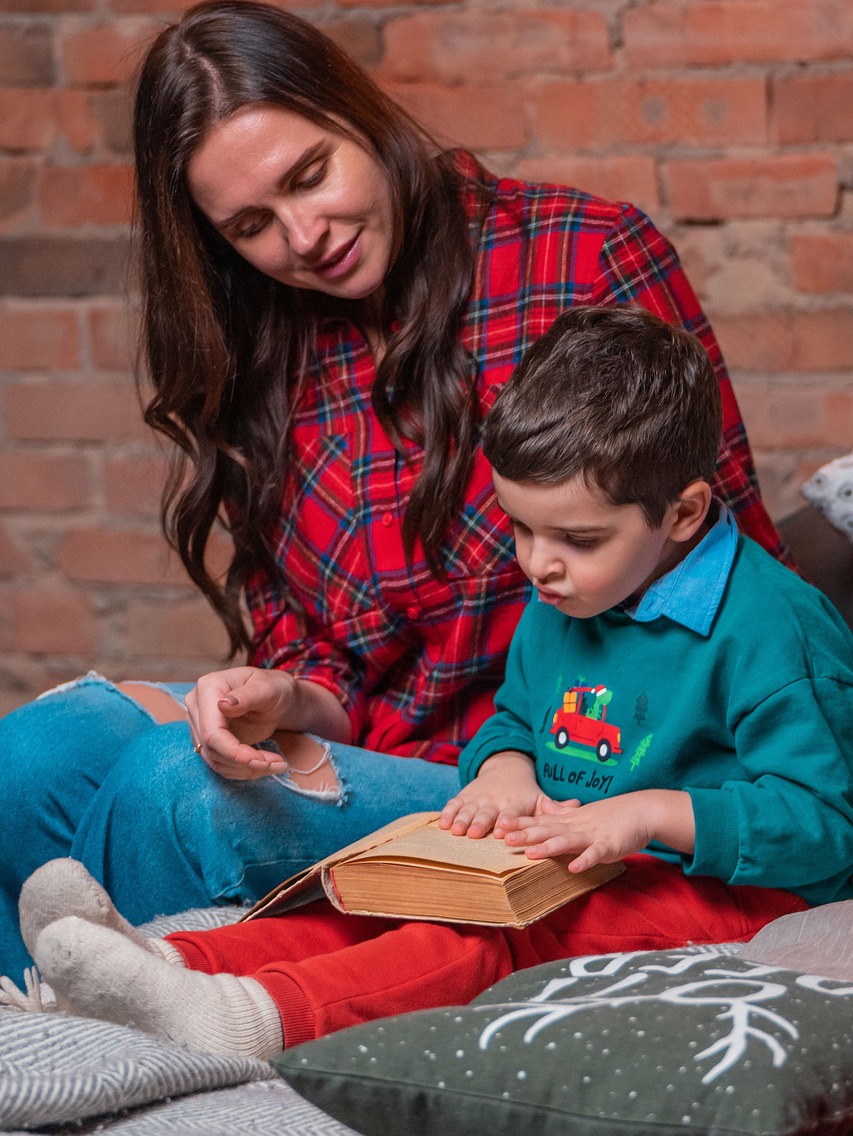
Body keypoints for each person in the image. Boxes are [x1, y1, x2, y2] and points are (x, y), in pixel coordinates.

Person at [0, 0, 786, 986]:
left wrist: (640, 800)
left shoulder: (581, 256)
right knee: (27, 757)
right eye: (251, 223)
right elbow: (320, 648)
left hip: (551, 769)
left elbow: (722, 570)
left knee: (170, 787)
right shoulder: (267, 345)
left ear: (357, 112)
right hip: (372, 738)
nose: (303, 234)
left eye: (310, 175)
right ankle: (36, 1057)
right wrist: (279, 690)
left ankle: (164, 1047)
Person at [7, 306, 851, 1056]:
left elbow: (827, 823)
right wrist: (506, 773)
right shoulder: (569, 591)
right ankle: (158, 965)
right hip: (561, 858)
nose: (537, 565)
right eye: (519, 527)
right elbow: (517, 719)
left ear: (683, 513)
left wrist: (649, 814)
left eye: (577, 539)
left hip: (721, 892)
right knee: (381, 898)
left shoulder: (772, 627)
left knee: (488, 938)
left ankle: (251, 1017)